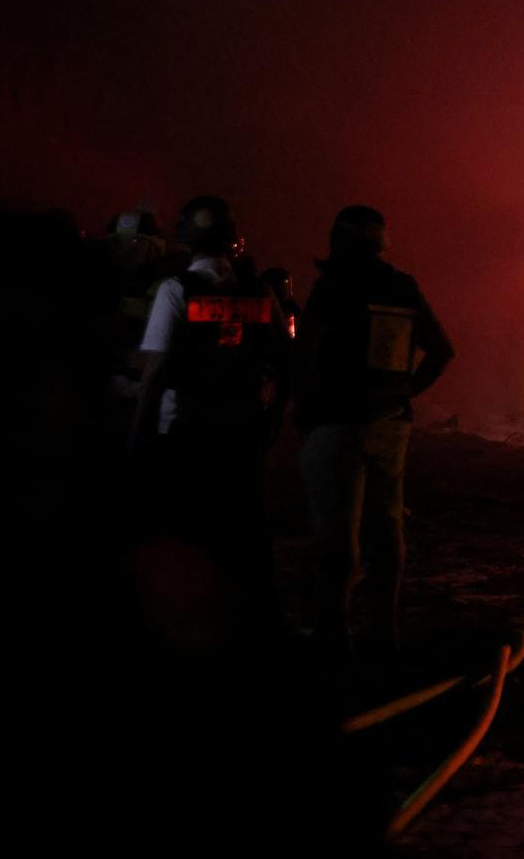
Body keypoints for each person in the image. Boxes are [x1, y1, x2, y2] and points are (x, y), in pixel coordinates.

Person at [294, 205, 453, 660]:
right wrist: (404, 393)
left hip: (338, 424)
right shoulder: (402, 287)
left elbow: (304, 355)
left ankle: (332, 634)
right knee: (387, 527)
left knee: (336, 533)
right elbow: (442, 350)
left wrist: (299, 411)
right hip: (390, 425)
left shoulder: (332, 287)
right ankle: (384, 632)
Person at [130, 195, 289, 627]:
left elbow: (154, 374)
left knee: (188, 534)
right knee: (245, 535)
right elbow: (286, 361)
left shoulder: (176, 290)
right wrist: (272, 421)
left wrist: (138, 440)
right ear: (232, 239)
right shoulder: (260, 293)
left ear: (184, 239)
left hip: (187, 435)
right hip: (243, 434)